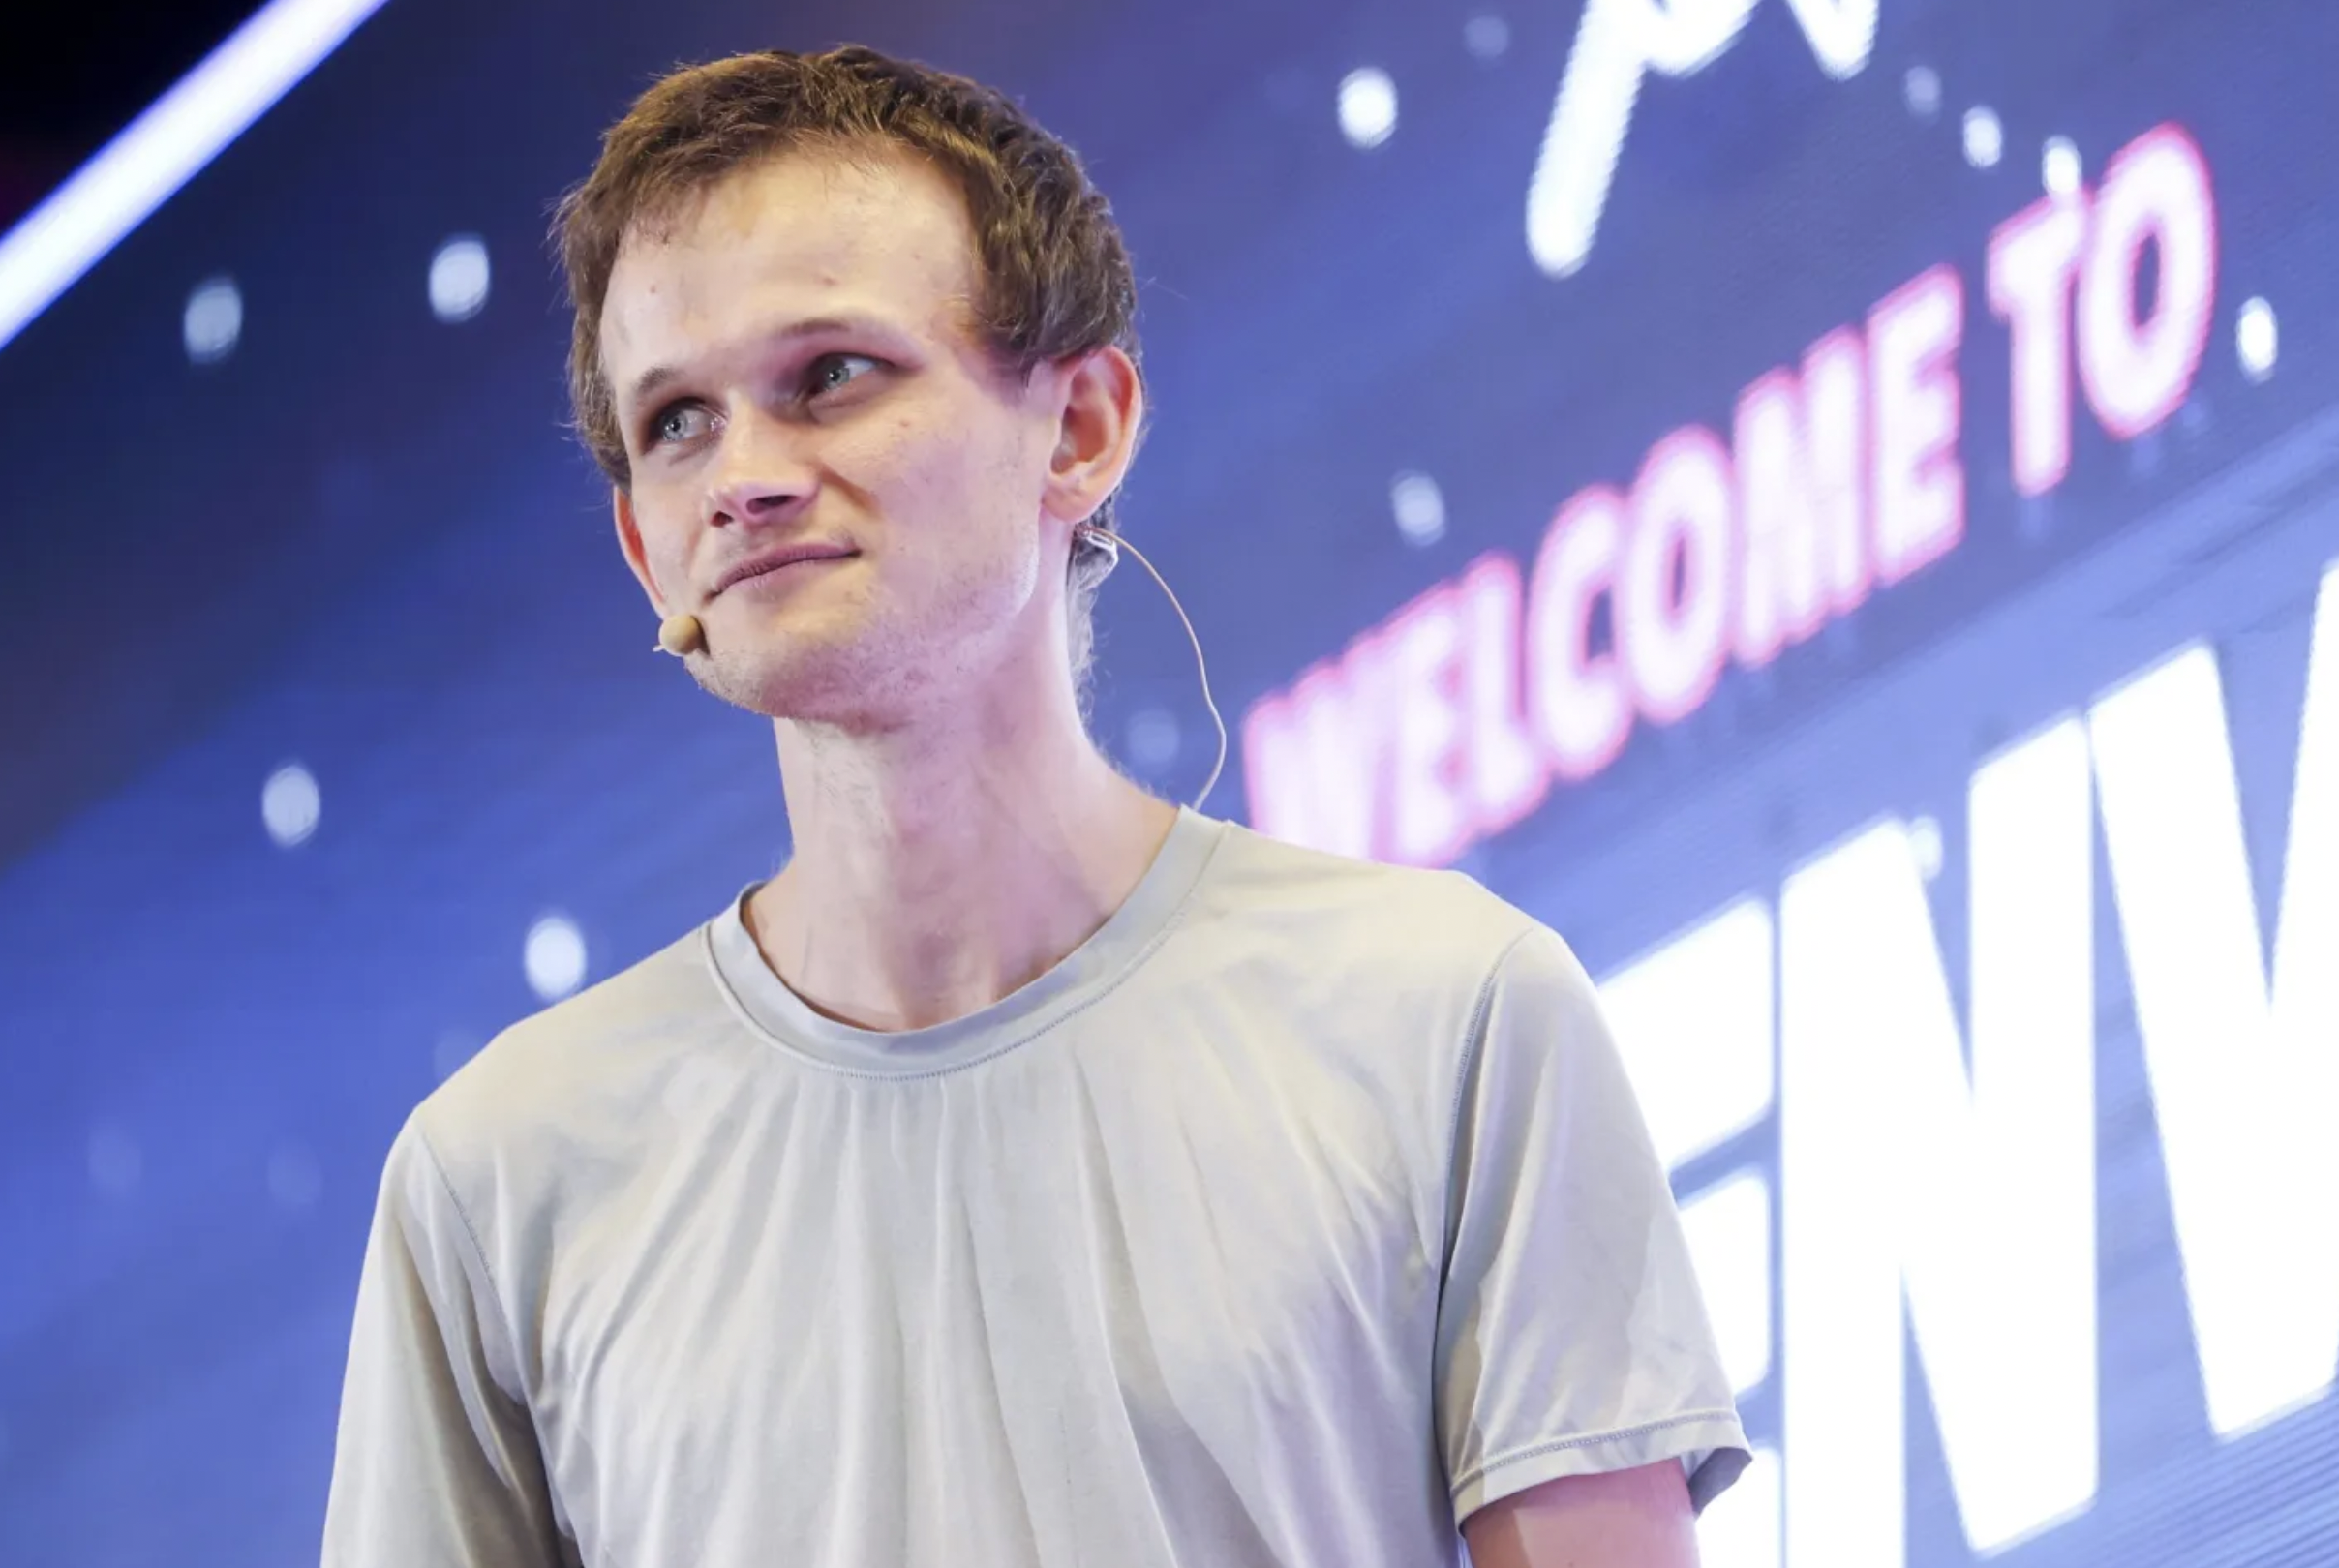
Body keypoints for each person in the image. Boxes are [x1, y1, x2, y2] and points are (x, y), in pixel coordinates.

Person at [320, 45, 1749, 1568]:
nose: (744, 476)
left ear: (1079, 429)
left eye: (830, 376)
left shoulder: (1448, 1015)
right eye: (677, 420)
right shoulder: (498, 1175)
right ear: (641, 547)